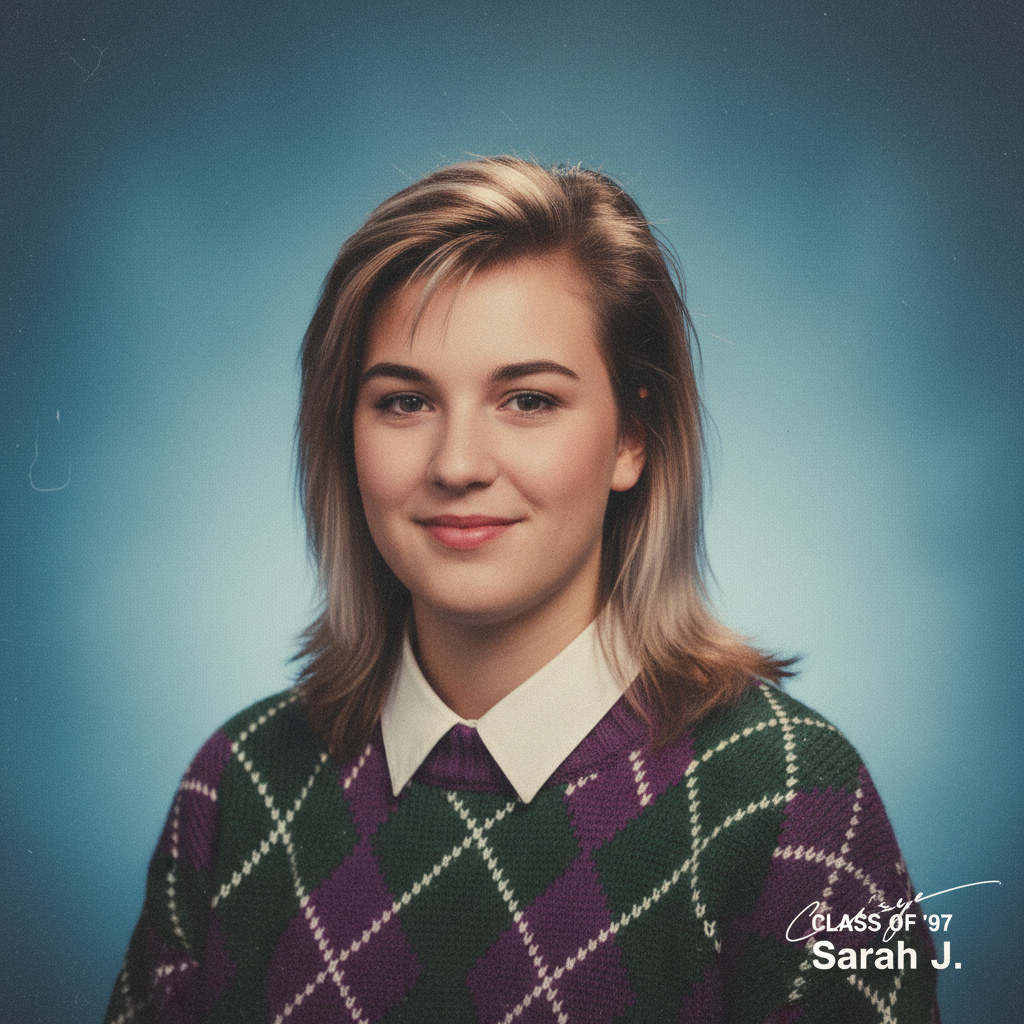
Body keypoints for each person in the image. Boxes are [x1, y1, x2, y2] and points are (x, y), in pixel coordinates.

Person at [106, 157, 940, 1023]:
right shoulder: (238, 783)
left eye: (529, 400)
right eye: (405, 403)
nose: (458, 465)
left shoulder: (797, 798)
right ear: (343, 434)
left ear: (633, 437)